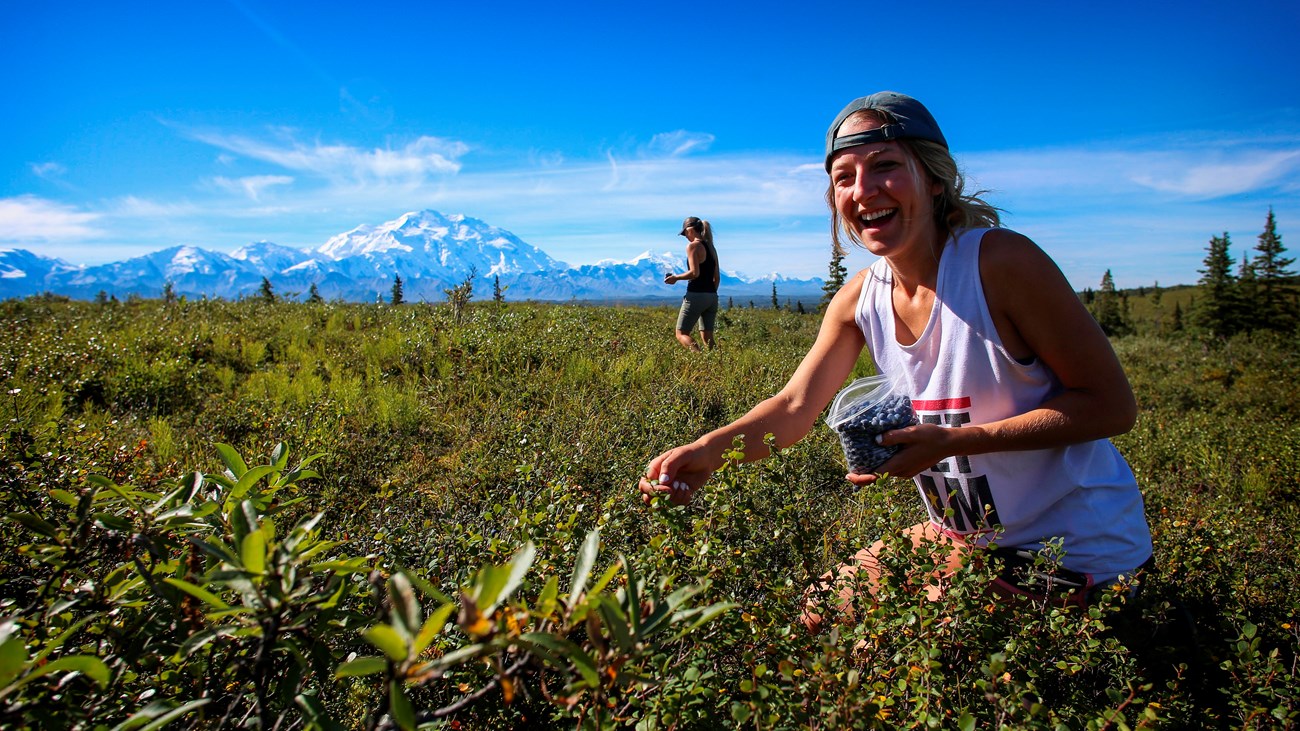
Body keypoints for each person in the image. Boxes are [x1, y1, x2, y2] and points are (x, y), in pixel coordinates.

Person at [638, 92, 1153, 628]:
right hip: (966, 536)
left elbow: (1110, 406)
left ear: (933, 179)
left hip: (1077, 552)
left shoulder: (999, 262)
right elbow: (794, 406)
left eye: (886, 166)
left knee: (886, 654)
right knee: (817, 613)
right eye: (844, 177)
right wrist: (706, 452)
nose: (864, 191)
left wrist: (959, 442)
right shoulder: (860, 298)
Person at [664, 216, 721, 351]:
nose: (685, 236)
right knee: (707, 337)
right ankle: (719, 364)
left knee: (681, 333)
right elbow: (717, 277)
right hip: (712, 296)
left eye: (684, 233)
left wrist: (675, 278)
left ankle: (700, 361)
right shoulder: (711, 247)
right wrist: (710, 294)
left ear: (690, 230)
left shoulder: (693, 246)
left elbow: (695, 273)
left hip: (696, 295)